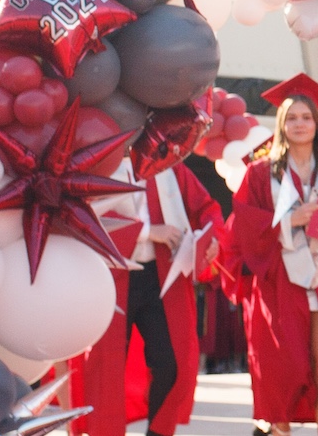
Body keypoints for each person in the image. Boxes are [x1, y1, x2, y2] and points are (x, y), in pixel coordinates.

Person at [229, 74, 318, 436]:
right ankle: (280, 430)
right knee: (284, 366)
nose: (299, 124)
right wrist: (288, 219)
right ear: (281, 125)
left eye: (306, 117)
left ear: (317, 124)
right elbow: (244, 226)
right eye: (291, 118)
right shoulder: (262, 175)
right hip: (282, 281)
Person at [76, 160, 223, 436]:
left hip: (162, 276)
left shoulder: (170, 168)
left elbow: (206, 208)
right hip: (113, 276)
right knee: (106, 367)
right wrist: (147, 232)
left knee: (173, 362)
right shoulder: (102, 165)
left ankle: (159, 432)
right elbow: (83, 216)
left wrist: (212, 238)